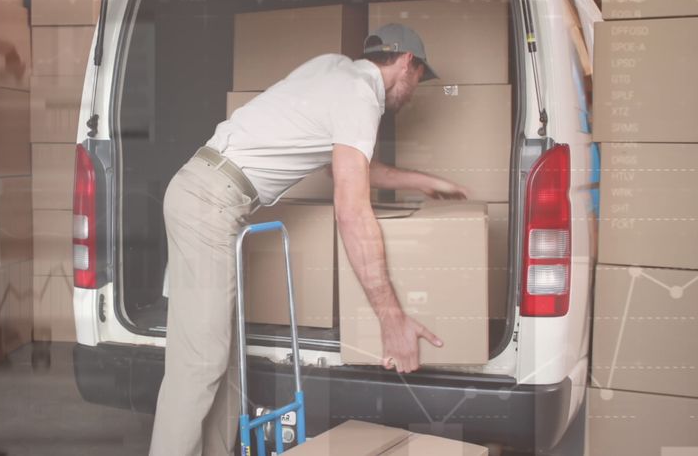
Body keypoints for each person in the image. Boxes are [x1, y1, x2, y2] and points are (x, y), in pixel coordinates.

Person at [149, 24, 470, 456]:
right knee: (200, 363)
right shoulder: (361, 95)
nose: (412, 93)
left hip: (211, 195)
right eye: (417, 79)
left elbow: (344, 165)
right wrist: (392, 320)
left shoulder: (332, 69)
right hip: (208, 202)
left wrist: (421, 181)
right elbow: (352, 211)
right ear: (407, 63)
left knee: (225, 365)